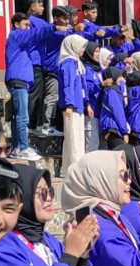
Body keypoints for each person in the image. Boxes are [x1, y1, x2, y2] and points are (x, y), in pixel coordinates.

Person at [4, 13, 66, 161]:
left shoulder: (22, 42)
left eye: (29, 25)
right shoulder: (16, 35)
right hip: (17, 80)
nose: (28, 28)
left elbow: (37, 37)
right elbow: (36, 33)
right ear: (17, 25)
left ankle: (17, 146)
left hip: (22, 81)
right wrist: (53, 27)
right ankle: (23, 147)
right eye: (25, 25)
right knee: (22, 117)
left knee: (18, 116)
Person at [37, 6, 74, 138]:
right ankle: (46, 126)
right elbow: (72, 38)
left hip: (58, 70)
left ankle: (51, 125)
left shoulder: (62, 32)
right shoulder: (54, 32)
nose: (66, 21)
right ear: (56, 18)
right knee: (51, 98)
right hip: (51, 69)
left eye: (67, 18)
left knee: (55, 98)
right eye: (64, 18)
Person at [58, 35, 91, 171]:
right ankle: (75, 169)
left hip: (79, 106)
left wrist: (87, 103)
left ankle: (67, 168)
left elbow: (82, 87)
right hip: (72, 107)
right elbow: (68, 85)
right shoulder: (68, 63)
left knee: (76, 138)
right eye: (81, 46)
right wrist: (69, 105)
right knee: (73, 139)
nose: (83, 49)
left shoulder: (78, 63)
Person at [26, 0, 47, 133]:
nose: (43, 8)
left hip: (37, 62)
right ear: (33, 7)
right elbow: (49, 30)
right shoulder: (34, 21)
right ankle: (30, 125)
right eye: (40, 5)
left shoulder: (34, 21)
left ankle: (33, 124)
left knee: (37, 94)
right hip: (35, 62)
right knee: (35, 95)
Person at [99, 67, 130, 150]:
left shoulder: (112, 91)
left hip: (112, 128)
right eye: (119, 76)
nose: (122, 79)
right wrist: (125, 132)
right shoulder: (112, 92)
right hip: (113, 128)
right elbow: (118, 113)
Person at [82, 41, 103, 153]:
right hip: (91, 110)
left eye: (99, 51)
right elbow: (88, 89)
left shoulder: (98, 69)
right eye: (96, 51)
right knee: (91, 145)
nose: (98, 54)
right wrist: (101, 85)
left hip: (99, 111)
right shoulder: (87, 69)